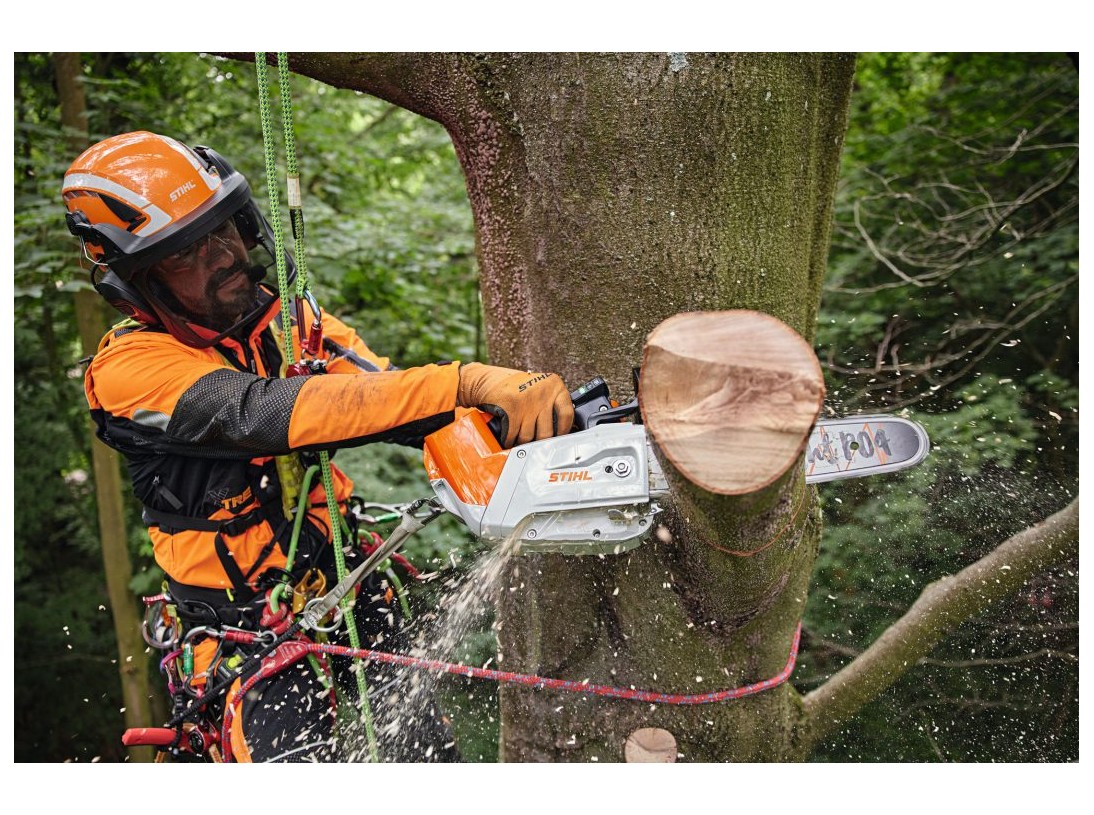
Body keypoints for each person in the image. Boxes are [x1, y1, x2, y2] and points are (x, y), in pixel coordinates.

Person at [63, 130, 573, 762]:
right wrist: (463, 379)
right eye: (185, 254)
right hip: (242, 633)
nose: (222, 257)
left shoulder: (289, 324)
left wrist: (517, 421)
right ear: (139, 284)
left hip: (350, 586)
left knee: (430, 759)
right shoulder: (129, 369)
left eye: (225, 231)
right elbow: (263, 414)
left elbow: (385, 399)